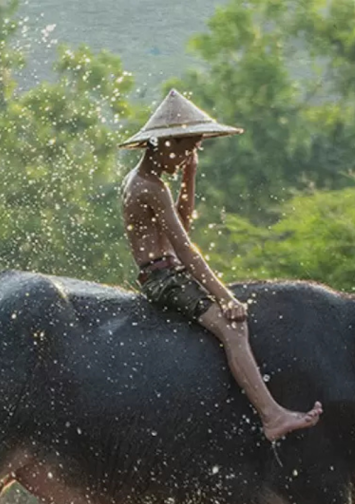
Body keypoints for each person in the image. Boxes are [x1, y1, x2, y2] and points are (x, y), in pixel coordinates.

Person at [119, 89, 321, 440]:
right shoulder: (150, 187)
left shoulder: (144, 181)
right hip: (165, 279)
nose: (187, 156)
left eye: (194, 149)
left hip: (166, 273)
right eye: (184, 147)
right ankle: (272, 416)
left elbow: (182, 225)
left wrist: (189, 177)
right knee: (233, 328)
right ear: (160, 144)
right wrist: (225, 296)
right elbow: (185, 249)